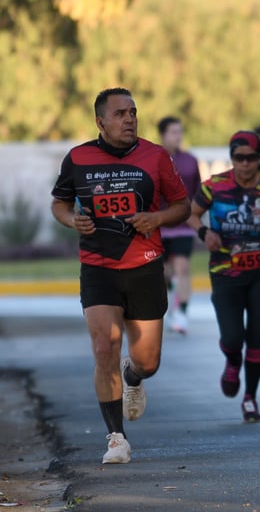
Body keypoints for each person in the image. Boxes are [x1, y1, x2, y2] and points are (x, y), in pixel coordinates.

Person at [50, 87, 190, 464]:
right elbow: (59, 202)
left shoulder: (155, 156)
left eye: (133, 112)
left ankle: (134, 377)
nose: (130, 119)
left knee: (148, 362)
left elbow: (182, 205)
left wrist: (156, 218)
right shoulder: (78, 158)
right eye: (120, 114)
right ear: (101, 122)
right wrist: (71, 220)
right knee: (104, 347)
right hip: (98, 266)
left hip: (144, 266)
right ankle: (116, 438)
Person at [188, 130, 260, 423]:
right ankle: (232, 361)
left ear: (259, 159)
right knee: (233, 338)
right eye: (238, 158)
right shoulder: (215, 186)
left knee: (257, 337)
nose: (244, 164)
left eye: (251, 158)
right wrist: (205, 232)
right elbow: (190, 212)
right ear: (232, 158)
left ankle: (250, 398)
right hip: (225, 271)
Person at [158, 116, 202, 334]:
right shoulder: (153, 159)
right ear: (163, 135)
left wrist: (198, 220)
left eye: (179, 131)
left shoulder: (190, 160)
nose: (178, 136)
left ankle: (182, 312)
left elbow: (197, 192)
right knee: (163, 271)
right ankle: (167, 304)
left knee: (183, 266)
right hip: (160, 223)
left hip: (184, 224)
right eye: (173, 132)